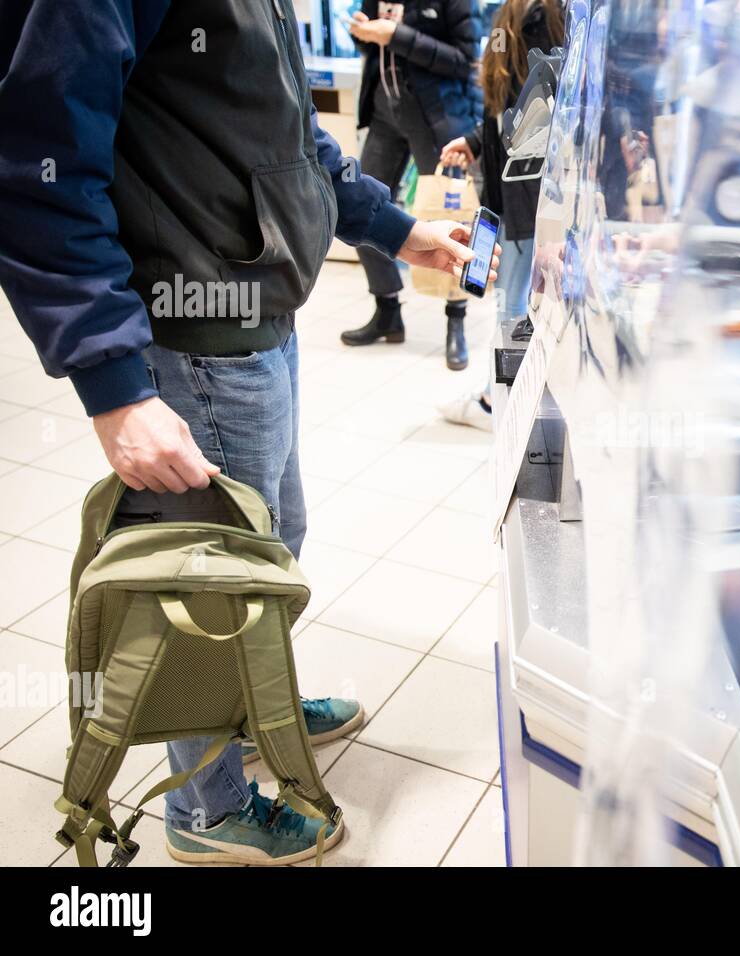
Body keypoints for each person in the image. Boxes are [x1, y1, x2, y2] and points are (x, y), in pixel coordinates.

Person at [0, 0, 496, 864]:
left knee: (270, 547)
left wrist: (394, 226)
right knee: (211, 592)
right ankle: (208, 805)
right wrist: (114, 387)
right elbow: (38, 155)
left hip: (256, 310)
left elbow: (290, 133)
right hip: (188, 333)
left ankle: (250, 708)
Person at [437, 0, 566, 429]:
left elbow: (546, 114)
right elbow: (504, 111)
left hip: (530, 196)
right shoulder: (509, 14)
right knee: (512, 299)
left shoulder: (550, 18)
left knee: (515, 302)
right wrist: (476, 142)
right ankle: (503, 396)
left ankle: (499, 402)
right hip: (512, 193)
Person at [340, 0, 482, 370]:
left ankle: (456, 320)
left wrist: (397, 36)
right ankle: (387, 310)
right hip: (385, 113)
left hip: (435, 116)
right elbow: (370, 44)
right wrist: (363, 32)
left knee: (451, 218)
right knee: (360, 204)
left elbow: (463, 58)